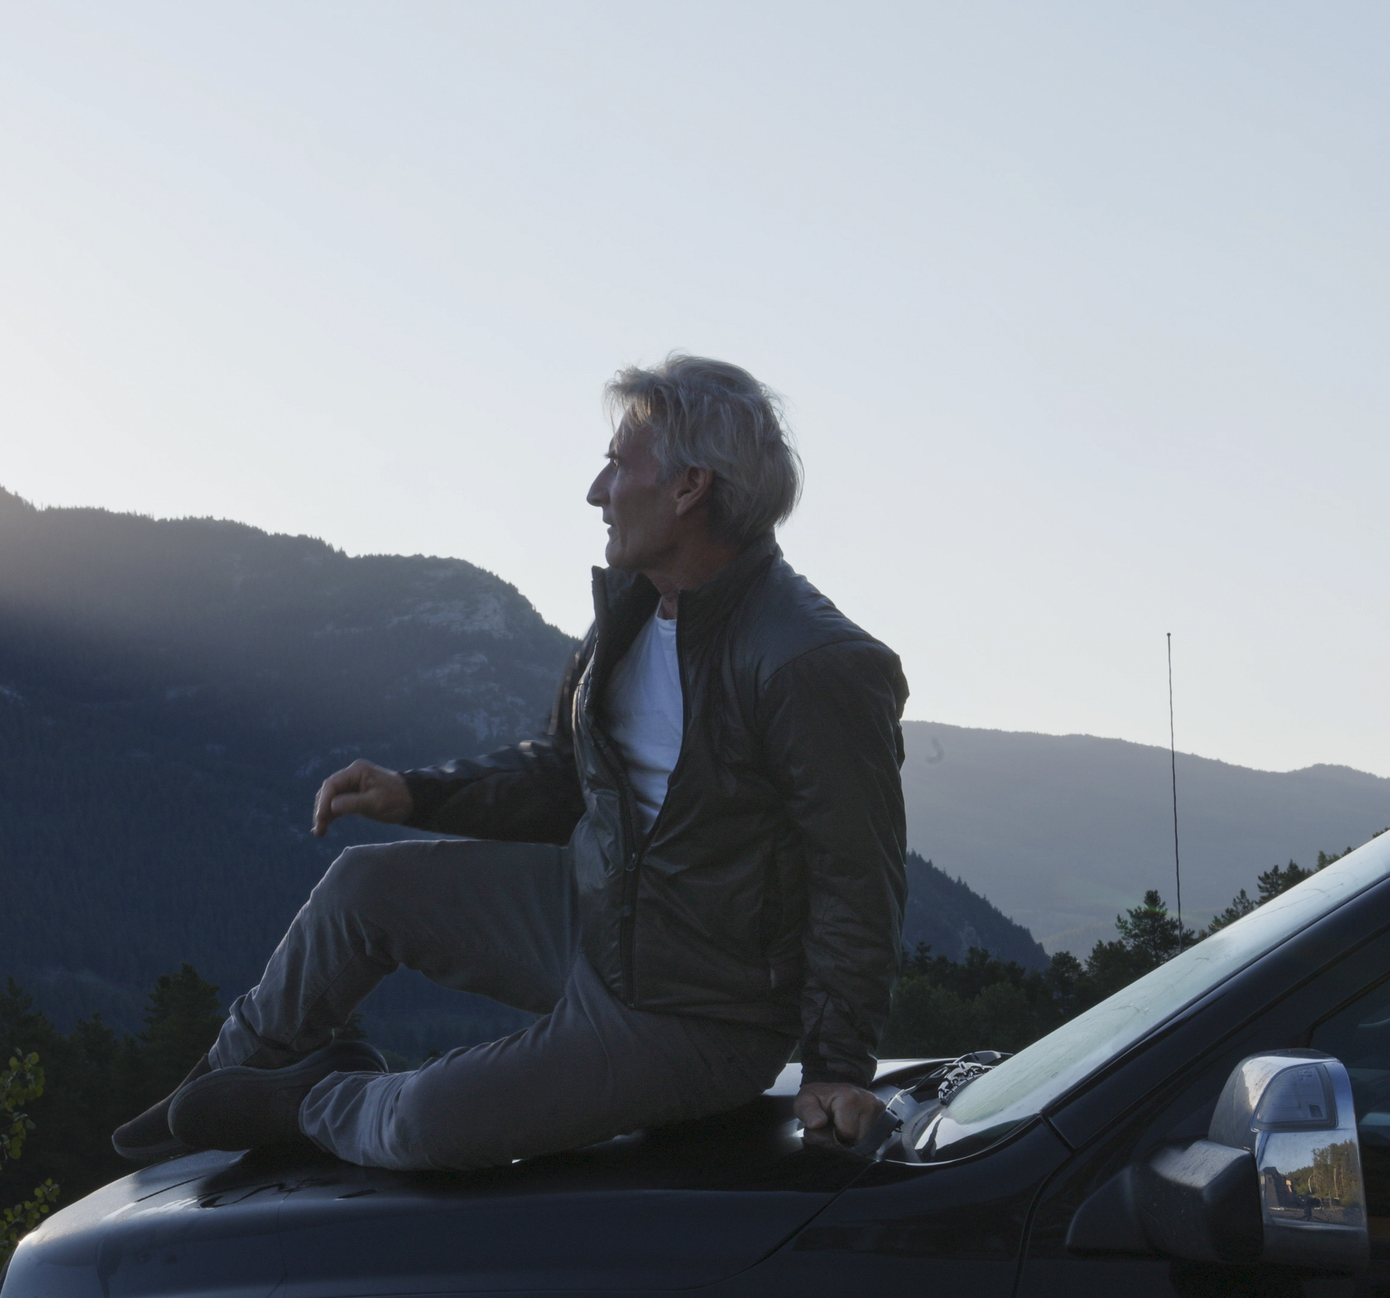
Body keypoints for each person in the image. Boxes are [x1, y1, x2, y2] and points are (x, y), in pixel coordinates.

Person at [112, 353, 908, 1170]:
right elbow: (565, 776)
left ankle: (312, 1100)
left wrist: (835, 1068)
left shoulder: (813, 663)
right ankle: (216, 1087)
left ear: (688, 488)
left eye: (617, 465)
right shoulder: (633, 613)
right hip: (593, 917)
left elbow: (858, 878)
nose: (596, 491)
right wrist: (416, 793)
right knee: (364, 886)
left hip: (697, 1011)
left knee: (424, 1126)